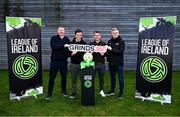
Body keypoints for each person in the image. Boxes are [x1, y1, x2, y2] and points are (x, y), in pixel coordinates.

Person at [46, 26, 70, 99]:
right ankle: (49, 93)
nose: (61, 31)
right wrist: (63, 46)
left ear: (64, 31)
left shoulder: (67, 39)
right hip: (54, 62)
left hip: (63, 62)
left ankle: (64, 91)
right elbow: (54, 47)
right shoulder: (53, 38)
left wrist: (72, 53)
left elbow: (68, 51)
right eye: (60, 30)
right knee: (52, 78)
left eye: (62, 30)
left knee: (64, 78)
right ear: (57, 31)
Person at [106, 28, 125, 99]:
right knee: (112, 78)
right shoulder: (109, 41)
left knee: (120, 78)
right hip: (111, 63)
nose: (115, 34)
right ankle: (112, 90)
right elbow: (108, 53)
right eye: (114, 33)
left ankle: (121, 93)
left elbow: (121, 52)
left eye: (116, 33)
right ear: (111, 33)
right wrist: (104, 53)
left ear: (118, 33)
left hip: (119, 64)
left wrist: (111, 49)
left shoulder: (121, 41)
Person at [69, 29, 87, 99]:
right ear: (75, 35)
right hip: (73, 64)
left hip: (82, 64)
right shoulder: (71, 44)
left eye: (80, 35)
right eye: (78, 35)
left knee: (83, 79)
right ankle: (74, 92)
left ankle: (84, 92)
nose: (79, 36)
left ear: (81, 35)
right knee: (74, 79)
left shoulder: (84, 44)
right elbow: (68, 54)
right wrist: (72, 54)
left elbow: (86, 54)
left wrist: (88, 53)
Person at [89, 31, 106, 97]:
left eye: (98, 35)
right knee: (92, 78)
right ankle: (91, 90)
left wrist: (103, 54)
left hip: (101, 64)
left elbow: (107, 54)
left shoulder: (104, 44)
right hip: (93, 64)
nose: (97, 36)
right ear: (94, 36)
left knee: (101, 78)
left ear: (100, 36)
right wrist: (90, 53)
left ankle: (101, 90)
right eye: (95, 35)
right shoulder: (91, 44)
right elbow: (87, 54)